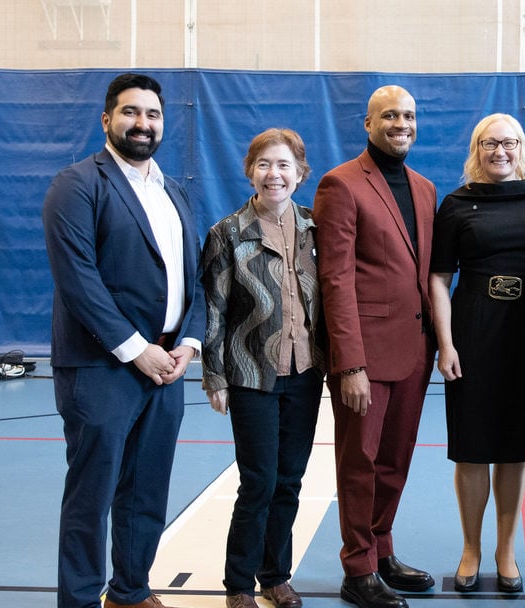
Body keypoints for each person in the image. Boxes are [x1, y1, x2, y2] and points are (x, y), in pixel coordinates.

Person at [42, 73, 204, 608]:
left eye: (153, 114)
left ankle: (130, 591)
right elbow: (78, 280)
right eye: (131, 112)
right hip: (102, 367)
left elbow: (194, 277)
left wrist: (190, 343)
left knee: (146, 492)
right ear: (107, 119)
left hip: (167, 364)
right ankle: (81, 601)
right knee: (91, 497)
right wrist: (138, 349)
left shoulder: (172, 190)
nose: (143, 123)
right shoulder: (77, 183)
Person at [429, 113, 525, 594]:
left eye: (509, 142)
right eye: (490, 143)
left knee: (514, 449)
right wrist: (445, 343)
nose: (500, 151)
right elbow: (439, 279)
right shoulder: (456, 204)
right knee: (471, 448)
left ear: (522, 146)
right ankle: (470, 548)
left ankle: (505, 550)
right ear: (476, 148)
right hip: (472, 331)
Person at [313, 85, 437, 608]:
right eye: (390, 115)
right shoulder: (340, 184)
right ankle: (357, 567)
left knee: (395, 460)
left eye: (408, 115)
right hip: (364, 354)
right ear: (368, 124)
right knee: (359, 462)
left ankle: (382, 550)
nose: (400, 123)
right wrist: (350, 364)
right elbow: (335, 279)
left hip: (414, 349)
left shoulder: (425, 188)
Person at [200, 128, 327, 608]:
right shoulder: (228, 233)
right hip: (251, 373)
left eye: (284, 166)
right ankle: (238, 585)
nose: (274, 174)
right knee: (258, 482)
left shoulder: (316, 226)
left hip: (306, 372)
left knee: (291, 481)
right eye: (264, 165)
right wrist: (214, 375)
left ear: (300, 174)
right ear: (250, 171)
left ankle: (276, 576)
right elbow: (213, 308)